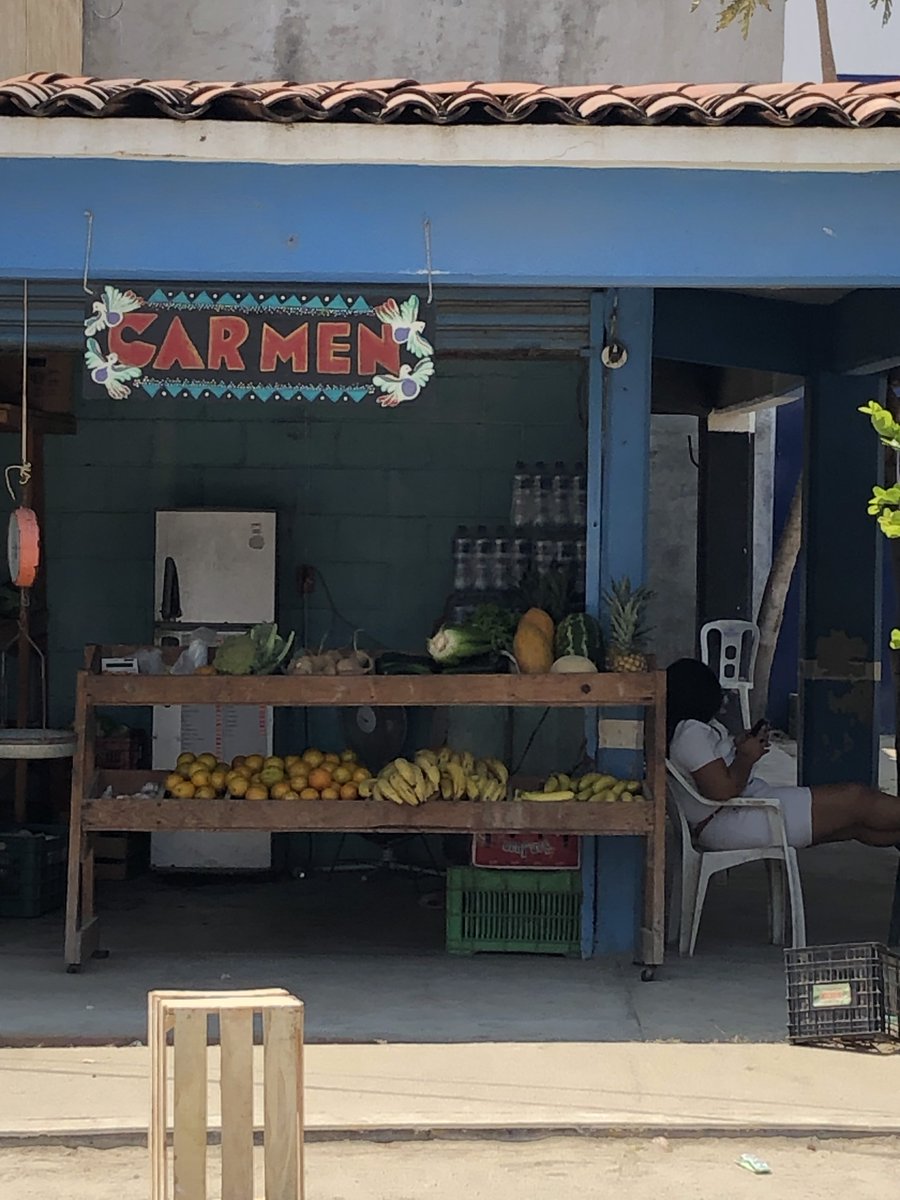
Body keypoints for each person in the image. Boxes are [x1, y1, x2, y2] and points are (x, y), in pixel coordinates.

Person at [666, 658, 900, 851]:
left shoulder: (687, 731)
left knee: (857, 825)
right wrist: (746, 757)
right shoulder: (689, 733)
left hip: (740, 811)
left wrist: (737, 746)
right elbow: (721, 791)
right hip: (733, 820)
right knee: (856, 799)